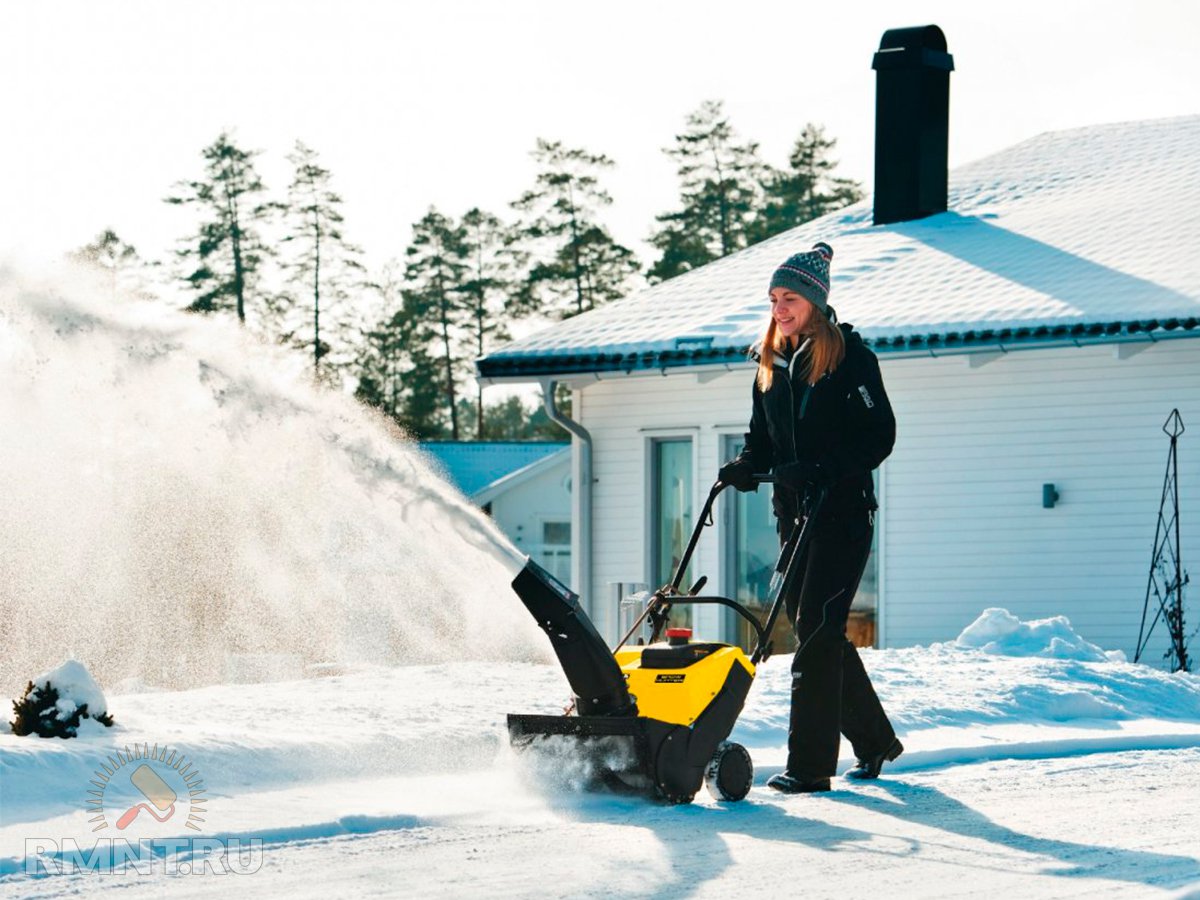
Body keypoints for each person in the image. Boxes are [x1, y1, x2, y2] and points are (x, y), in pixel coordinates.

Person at [718, 241, 903, 794]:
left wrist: (822, 468)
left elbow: (879, 436)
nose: (779, 307)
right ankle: (875, 742)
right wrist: (747, 466)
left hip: (842, 516)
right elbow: (762, 440)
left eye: (790, 297)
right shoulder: (769, 360)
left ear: (815, 302)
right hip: (794, 517)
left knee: (818, 635)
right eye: (774, 297)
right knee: (814, 629)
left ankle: (811, 766)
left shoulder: (850, 359)